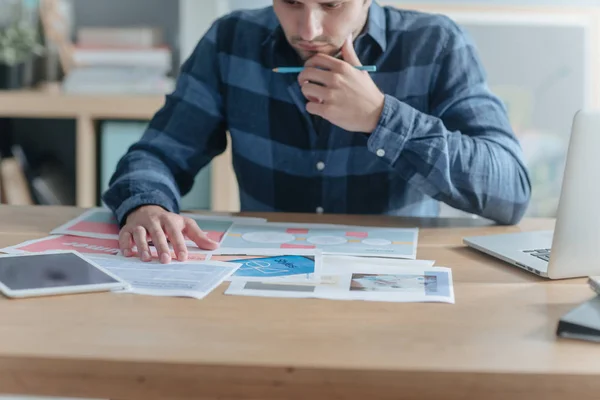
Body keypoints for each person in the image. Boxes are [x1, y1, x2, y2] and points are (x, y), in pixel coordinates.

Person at [103, 0, 531, 264]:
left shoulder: (436, 44)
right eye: (291, 1)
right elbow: (157, 153)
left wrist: (380, 117)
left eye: (330, 4)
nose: (308, 31)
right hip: (264, 273)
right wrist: (146, 205)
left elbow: (510, 191)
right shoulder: (231, 40)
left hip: (395, 282)